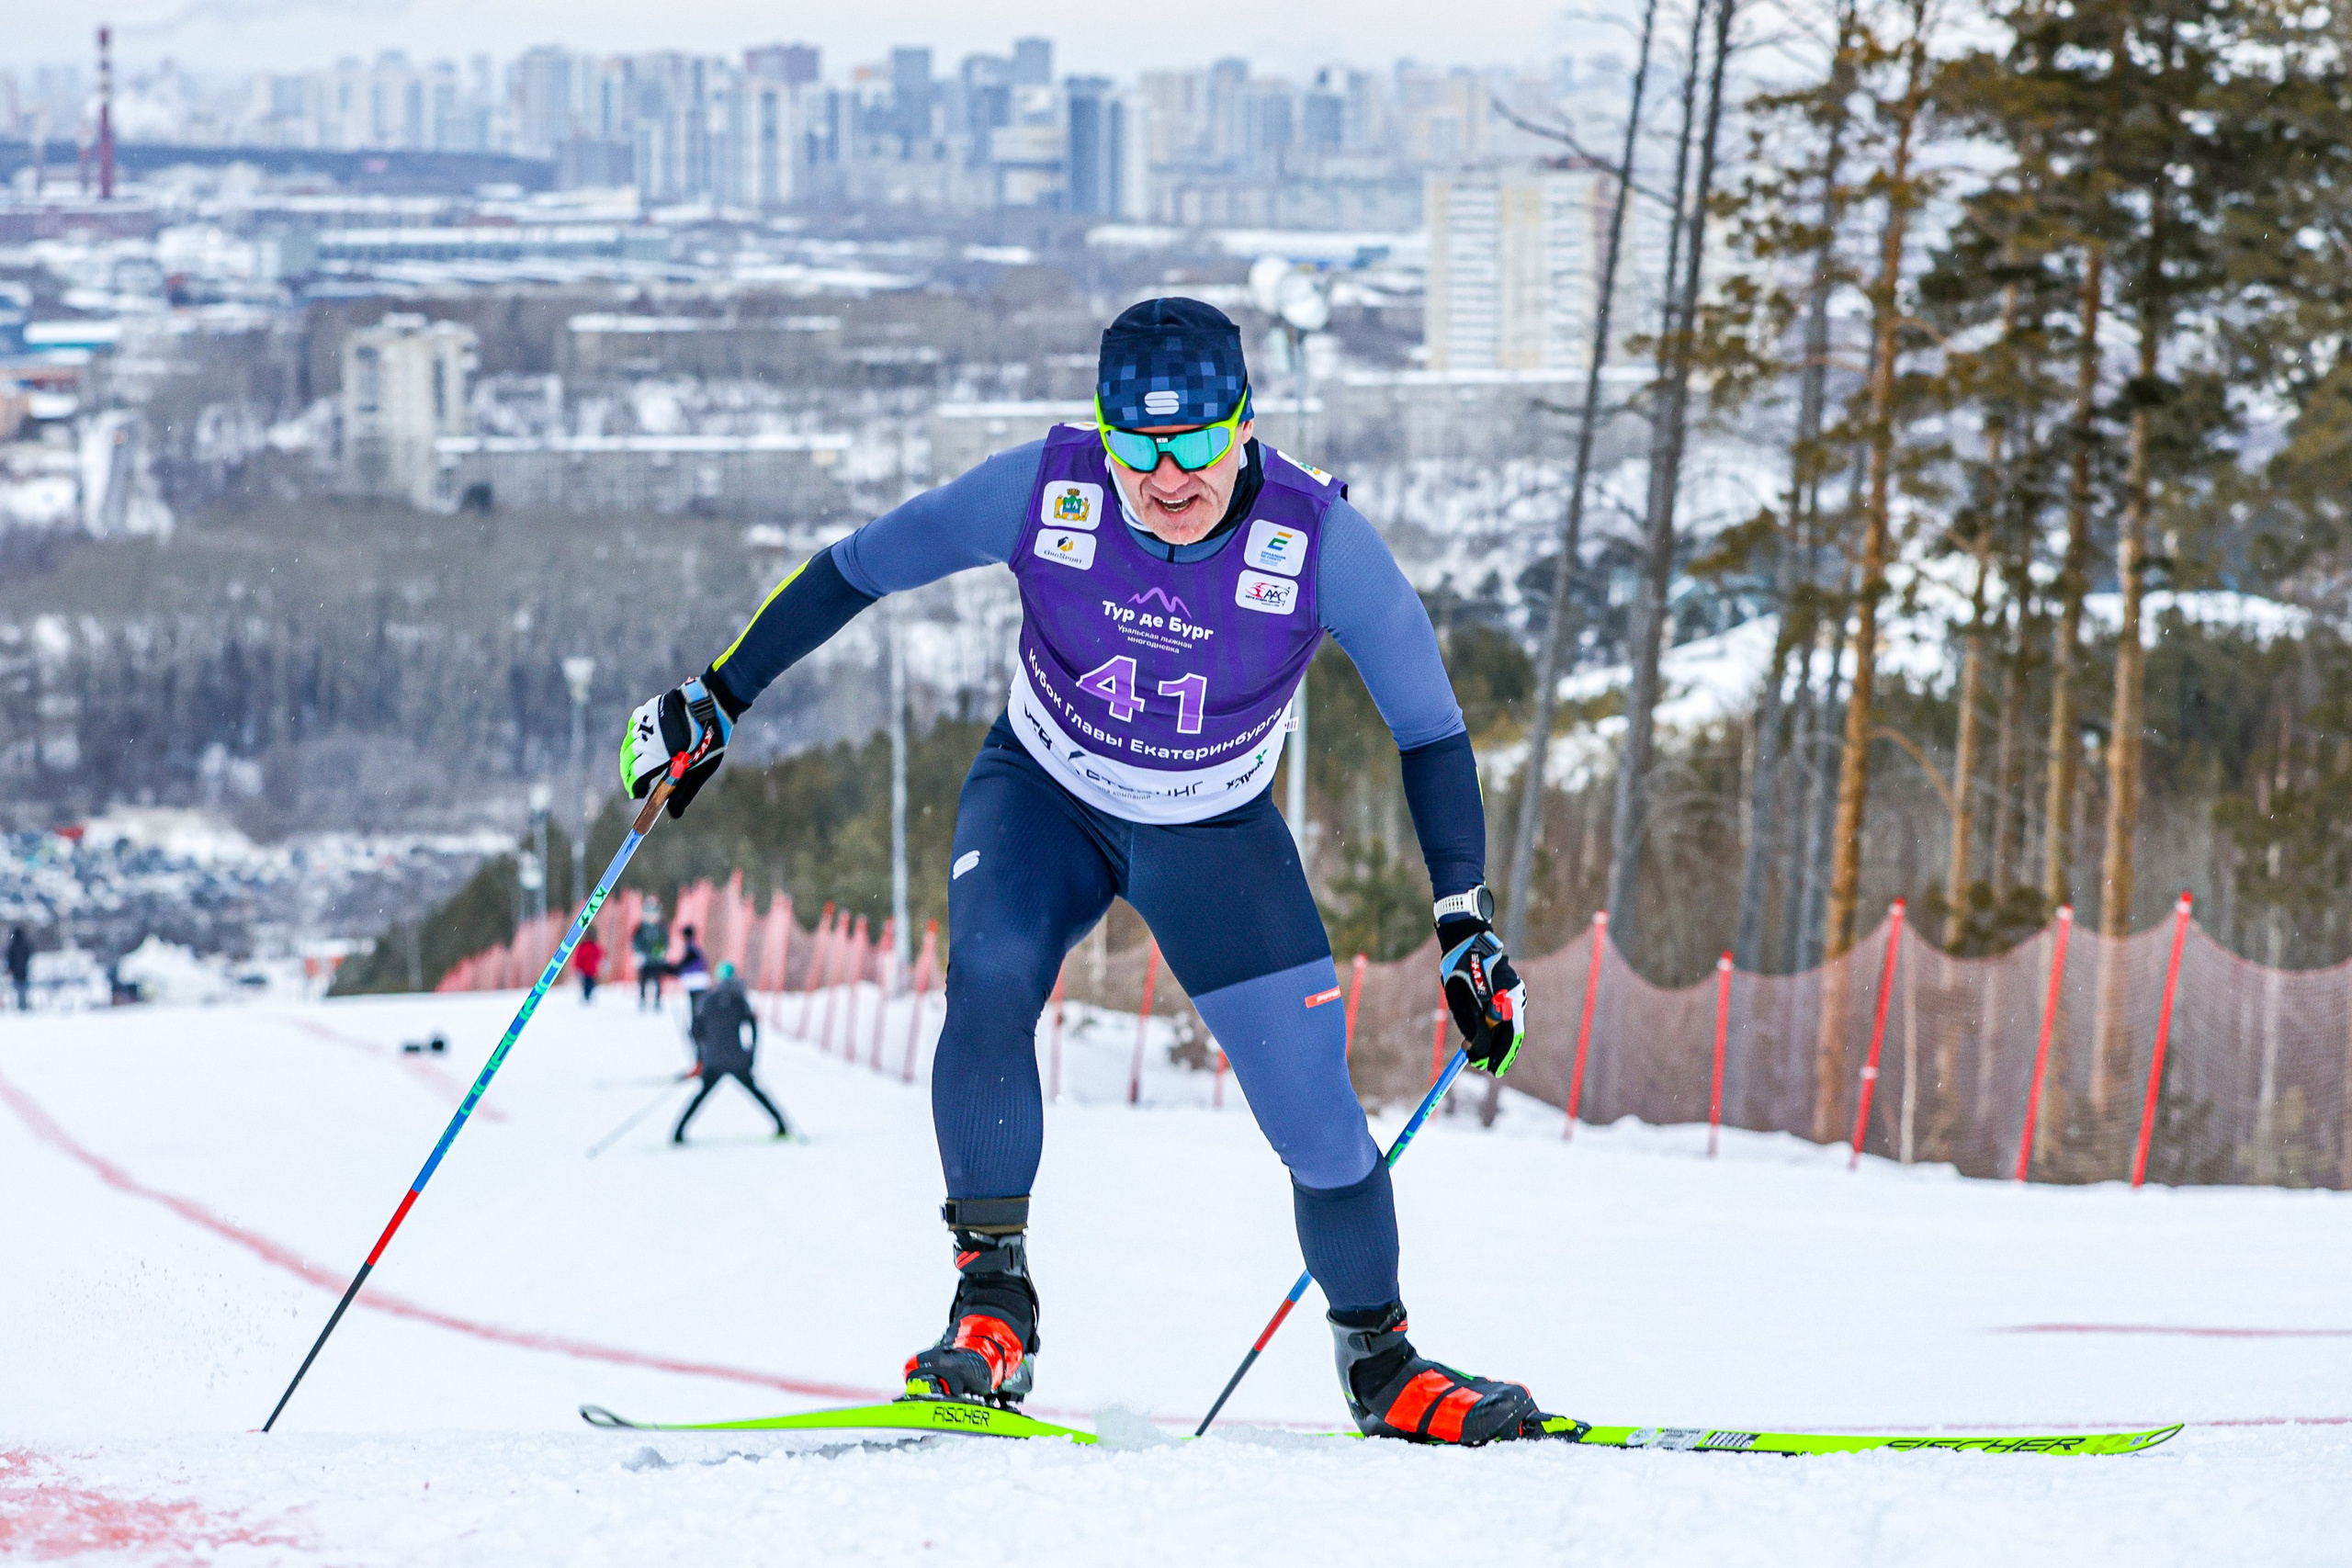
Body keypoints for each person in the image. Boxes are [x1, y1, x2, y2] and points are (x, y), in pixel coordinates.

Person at [618, 299, 1564, 1446]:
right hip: (1044, 799)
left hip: (1212, 834)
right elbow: (858, 568)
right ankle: (992, 1308)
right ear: (1102, 438)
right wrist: (716, 695)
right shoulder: (1044, 491)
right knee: (991, 978)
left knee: (1319, 1124)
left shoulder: (1318, 543)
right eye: (1137, 448)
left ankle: (1381, 1362)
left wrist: (1463, 923)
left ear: (1246, 429)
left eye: (1196, 446)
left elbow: (1428, 728)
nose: (1166, 479)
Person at [673, 963, 789, 1143]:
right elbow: (752, 1027)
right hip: (738, 1059)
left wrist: (703, 1055)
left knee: (700, 1096)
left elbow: (697, 1031)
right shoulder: (740, 999)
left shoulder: (708, 999)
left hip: (714, 1060)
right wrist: (750, 1055)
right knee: (758, 1093)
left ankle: (678, 1133)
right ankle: (782, 1125)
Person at [633, 898, 669, 1010]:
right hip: (645, 959)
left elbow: (665, 940)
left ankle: (657, 1001)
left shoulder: (661, 926)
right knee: (643, 981)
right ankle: (643, 1000)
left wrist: (661, 951)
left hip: (657, 959)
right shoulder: (641, 927)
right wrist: (639, 952)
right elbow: (636, 940)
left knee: (657, 981)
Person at [673, 926, 710, 1028]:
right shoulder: (694, 946)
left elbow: (686, 962)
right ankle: (698, 1027)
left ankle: (698, 1028)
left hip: (696, 982)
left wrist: (675, 969)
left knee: (697, 1007)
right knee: (697, 1006)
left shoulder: (691, 947)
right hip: (697, 981)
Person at [572, 932, 605, 1004]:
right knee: (589, 983)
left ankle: (587, 996)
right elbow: (599, 956)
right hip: (591, 969)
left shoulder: (583, 947)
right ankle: (587, 996)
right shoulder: (594, 946)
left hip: (585, 969)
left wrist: (577, 967)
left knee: (586, 983)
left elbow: (578, 958)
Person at [7, 925, 32, 1012]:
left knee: (18, 989)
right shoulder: (25, 944)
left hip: (16, 971)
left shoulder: (12, 945)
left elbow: (9, 957)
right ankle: (23, 1005)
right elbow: (29, 954)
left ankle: (21, 1005)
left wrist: (10, 968)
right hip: (24, 969)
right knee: (23, 988)